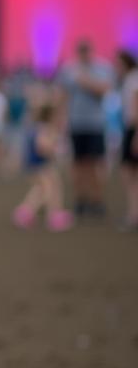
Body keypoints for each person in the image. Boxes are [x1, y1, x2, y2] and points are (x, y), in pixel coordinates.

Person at [57, 38, 114, 218]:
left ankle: (96, 200)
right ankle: (80, 200)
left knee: (95, 164)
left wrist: (85, 81)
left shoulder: (103, 68)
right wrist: (60, 120)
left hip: (95, 123)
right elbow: (63, 96)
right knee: (77, 164)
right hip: (76, 123)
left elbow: (105, 90)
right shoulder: (68, 69)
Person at [12, 101, 73, 232]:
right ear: (51, 116)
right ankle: (54, 215)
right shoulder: (46, 129)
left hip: (38, 165)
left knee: (42, 190)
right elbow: (41, 146)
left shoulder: (41, 127)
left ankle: (25, 212)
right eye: (60, 116)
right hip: (40, 166)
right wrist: (55, 149)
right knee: (52, 189)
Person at [114, 49, 138, 232]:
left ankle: (133, 215)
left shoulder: (132, 80)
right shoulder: (130, 79)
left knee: (129, 174)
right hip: (131, 128)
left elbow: (136, 108)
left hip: (133, 129)